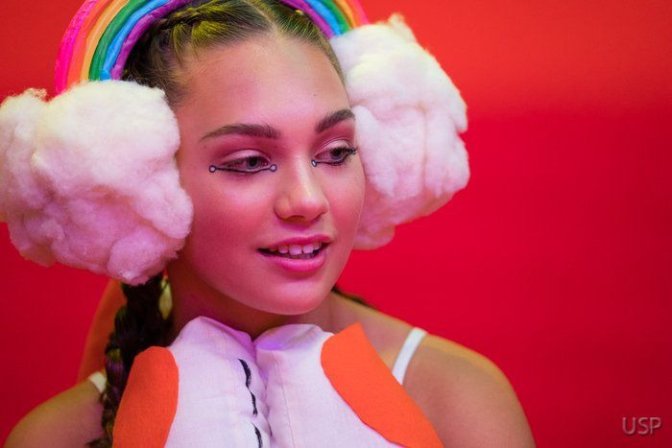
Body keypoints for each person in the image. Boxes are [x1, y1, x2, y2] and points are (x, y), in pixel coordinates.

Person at [1, 0, 535, 446]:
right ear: (141, 183)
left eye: (336, 152)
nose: (308, 199)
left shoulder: (460, 403)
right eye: (250, 161)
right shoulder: (55, 439)